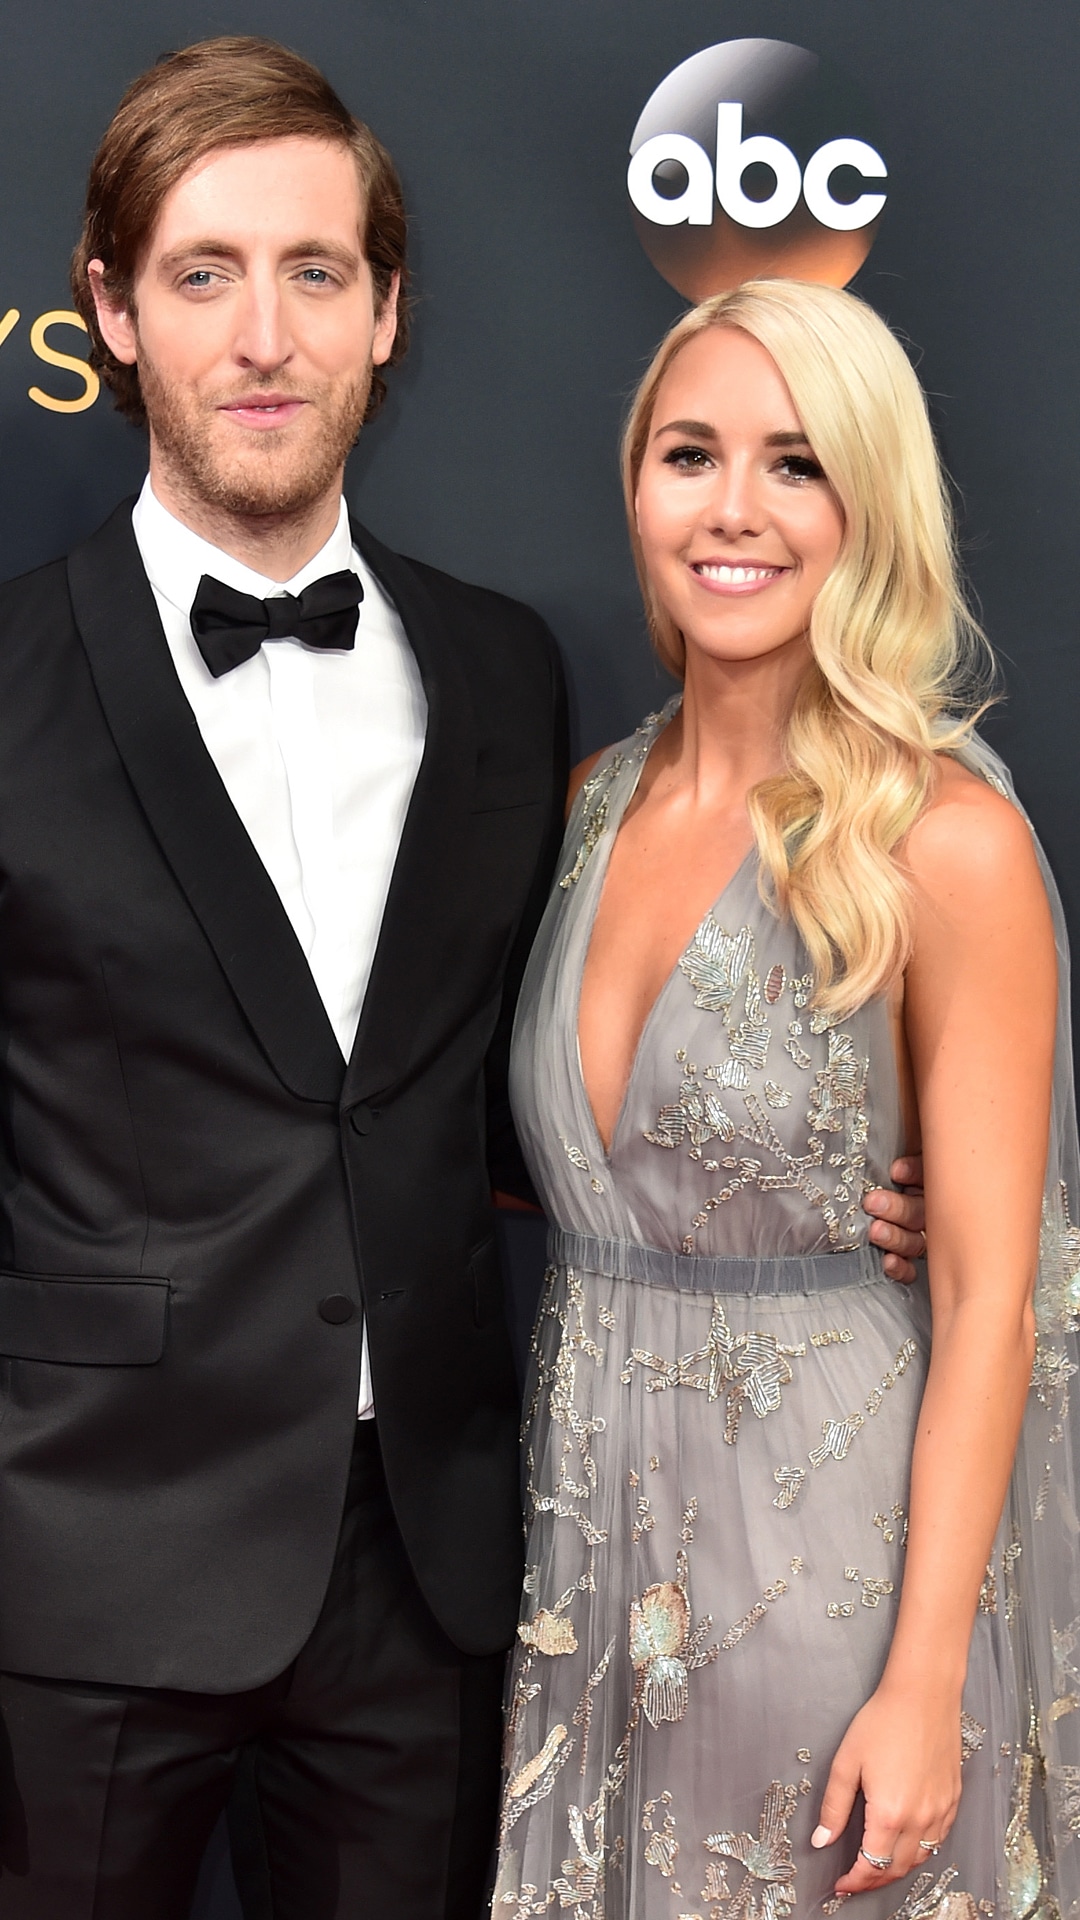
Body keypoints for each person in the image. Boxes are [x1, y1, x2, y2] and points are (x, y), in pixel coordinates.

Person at [0, 40, 929, 1920]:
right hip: (79, 1563)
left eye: (316, 273)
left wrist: (813, 1196)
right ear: (106, 309)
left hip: (445, 1574)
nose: (265, 334)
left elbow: (536, 1079)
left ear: (388, 313)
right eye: (203, 274)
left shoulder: (508, 677)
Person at [493, 280, 1080, 1920]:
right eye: (691, 454)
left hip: (831, 1574)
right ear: (636, 485)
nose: (734, 509)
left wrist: (924, 1681)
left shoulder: (945, 844)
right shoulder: (587, 801)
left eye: (796, 464)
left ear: (866, 507)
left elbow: (988, 1303)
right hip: (585, 1561)